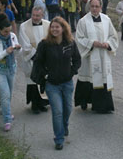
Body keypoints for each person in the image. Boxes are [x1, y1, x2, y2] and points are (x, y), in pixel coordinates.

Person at [35, 17, 81, 150]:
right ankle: (59, 139)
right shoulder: (44, 44)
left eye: (57, 27)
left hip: (67, 83)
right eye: (52, 27)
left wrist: (72, 72)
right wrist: (45, 74)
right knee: (58, 112)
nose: (54, 29)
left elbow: (77, 60)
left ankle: (64, 125)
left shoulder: (70, 43)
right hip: (52, 85)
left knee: (68, 108)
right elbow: (38, 62)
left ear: (63, 29)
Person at [74, 0, 119, 113]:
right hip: (90, 55)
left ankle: (103, 105)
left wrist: (108, 44)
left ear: (101, 7)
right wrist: (91, 43)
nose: (94, 9)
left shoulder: (106, 19)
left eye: (97, 6)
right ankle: (84, 100)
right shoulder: (83, 21)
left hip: (103, 55)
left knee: (102, 78)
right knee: (88, 78)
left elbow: (113, 36)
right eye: (92, 6)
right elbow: (79, 38)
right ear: (89, 7)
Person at [0, 13, 22, 131]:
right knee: (5, 94)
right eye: (5, 32)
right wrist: (5, 52)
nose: (7, 33)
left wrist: (18, 48)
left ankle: (4, 110)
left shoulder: (12, 36)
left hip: (11, 68)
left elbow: (17, 53)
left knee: (9, 93)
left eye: (9, 31)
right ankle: (7, 119)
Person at [19, 6, 50, 114]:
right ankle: (35, 105)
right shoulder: (24, 26)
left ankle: (43, 103)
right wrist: (37, 58)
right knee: (33, 82)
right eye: (33, 15)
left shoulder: (48, 25)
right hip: (31, 60)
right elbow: (25, 45)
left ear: (42, 15)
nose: (35, 18)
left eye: (38, 16)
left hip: (45, 60)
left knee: (44, 81)